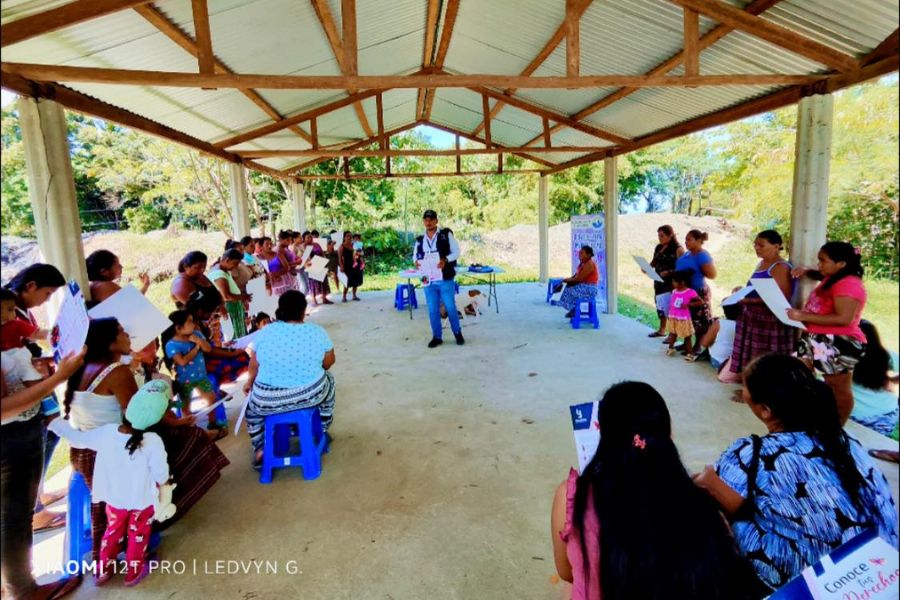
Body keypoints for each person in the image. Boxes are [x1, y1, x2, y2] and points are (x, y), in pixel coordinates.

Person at [694, 354, 899, 593]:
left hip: (823, 587)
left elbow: (713, 497)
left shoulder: (754, 452)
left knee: (711, 516)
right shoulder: (845, 441)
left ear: (766, 410)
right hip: (882, 573)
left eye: (745, 387)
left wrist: (707, 479)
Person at [550, 381, 760, 600]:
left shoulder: (572, 497)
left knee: (570, 587)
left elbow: (566, 571)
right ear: (669, 434)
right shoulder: (700, 504)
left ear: (602, 434)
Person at [63, 318, 229, 561]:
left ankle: (133, 530)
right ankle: (156, 515)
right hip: (115, 451)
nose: (128, 335)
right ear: (110, 343)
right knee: (190, 437)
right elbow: (140, 415)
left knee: (171, 438)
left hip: (87, 452)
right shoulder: (116, 372)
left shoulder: (81, 368)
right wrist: (176, 422)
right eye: (122, 331)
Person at [50, 380, 171, 587]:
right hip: (142, 502)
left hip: (114, 500)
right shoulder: (153, 441)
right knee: (138, 534)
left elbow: (77, 439)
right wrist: (165, 485)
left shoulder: (107, 432)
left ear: (128, 409)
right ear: (157, 418)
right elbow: (161, 473)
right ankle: (133, 572)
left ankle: (103, 570)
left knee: (112, 531)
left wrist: (54, 423)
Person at [1, 346, 85, 600]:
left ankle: (12, 583)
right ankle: (23, 591)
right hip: (9, 439)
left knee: (12, 517)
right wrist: (58, 378)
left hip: (16, 435)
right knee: (14, 520)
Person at [1, 264, 69, 534]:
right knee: (44, 435)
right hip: (21, 404)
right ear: (30, 286)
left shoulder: (14, 310)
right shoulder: (8, 310)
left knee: (49, 435)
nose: (47, 300)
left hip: (32, 386)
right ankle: (37, 510)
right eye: (47, 293)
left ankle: (39, 494)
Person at [243, 291, 336, 468]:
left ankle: (260, 449)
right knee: (329, 381)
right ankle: (321, 429)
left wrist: (249, 383)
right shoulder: (317, 331)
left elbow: (253, 364)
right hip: (308, 395)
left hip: (267, 400)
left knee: (252, 410)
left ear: (280, 309)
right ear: (303, 311)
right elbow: (328, 363)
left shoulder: (265, 332)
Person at [788, 242, 867, 424]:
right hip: (816, 338)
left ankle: (835, 429)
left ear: (841, 264)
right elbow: (820, 274)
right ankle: (812, 420)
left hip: (838, 342)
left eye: (823, 261)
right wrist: (807, 271)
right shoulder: (835, 277)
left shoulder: (848, 284)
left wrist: (803, 315)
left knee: (837, 387)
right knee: (802, 377)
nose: (819, 265)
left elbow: (844, 319)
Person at [726, 230, 796, 373]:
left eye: (761, 245)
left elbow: (781, 298)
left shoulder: (780, 267)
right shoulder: (762, 263)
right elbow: (758, 288)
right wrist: (742, 291)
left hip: (769, 320)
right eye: (755, 245)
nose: (756, 248)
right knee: (753, 358)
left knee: (765, 361)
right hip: (753, 318)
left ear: (776, 246)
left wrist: (748, 300)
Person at [163, 310, 227, 436]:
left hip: (201, 376)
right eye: (190, 322)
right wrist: (197, 348)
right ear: (178, 328)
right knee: (186, 406)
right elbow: (182, 362)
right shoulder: (171, 344)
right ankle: (191, 429)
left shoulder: (196, 334)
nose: (194, 324)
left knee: (212, 399)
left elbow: (208, 349)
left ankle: (213, 423)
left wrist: (199, 341)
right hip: (184, 381)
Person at [414, 210, 464, 348]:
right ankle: (437, 336)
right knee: (432, 309)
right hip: (428, 280)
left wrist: (445, 259)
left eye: (431, 219)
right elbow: (415, 256)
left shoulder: (445, 234)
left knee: (450, 307)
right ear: (423, 221)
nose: (428, 222)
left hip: (444, 278)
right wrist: (416, 262)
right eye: (426, 220)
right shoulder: (420, 239)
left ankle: (457, 333)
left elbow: (456, 252)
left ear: (436, 220)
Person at [849, 320, 899, 439]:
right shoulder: (886, 355)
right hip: (888, 416)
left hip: (855, 417)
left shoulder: (842, 358)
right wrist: (893, 380)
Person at [675, 230, 717, 355]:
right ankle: (686, 343)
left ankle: (697, 346)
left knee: (699, 320)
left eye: (689, 239)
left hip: (697, 292)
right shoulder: (688, 254)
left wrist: (693, 271)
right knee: (686, 318)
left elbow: (712, 274)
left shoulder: (702, 256)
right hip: (685, 291)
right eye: (685, 240)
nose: (686, 242)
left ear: (698, 241)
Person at [648, 225, 684, 337]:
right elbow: (654, 262)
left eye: (662, 236)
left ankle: (672, 334)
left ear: (670, 235)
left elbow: (682, 268)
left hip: (671, 283)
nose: (660, 238)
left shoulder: (678, 249)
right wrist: (647, 268)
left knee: (670, 308)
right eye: (658, 236)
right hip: (658, 281)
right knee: (660, 306)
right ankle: (662, 329)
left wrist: (669, 272)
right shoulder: (659, 247)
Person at [209, 249, 251, 340]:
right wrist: (243, 297)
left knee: (239, 332)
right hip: (229, 307)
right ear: (227, 260)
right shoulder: (218, 274)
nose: (236, 267)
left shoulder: (223, 270)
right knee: (235, 335)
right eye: (235, 263)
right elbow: (226, 296)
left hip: (234, 305)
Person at [85, 249, 150, 307]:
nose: (121, 267)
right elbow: (133, 303)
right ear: (104, 271)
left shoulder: (94, 285)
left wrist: (145, 285)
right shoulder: (105, 287)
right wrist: (146, 285)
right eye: (117, 265)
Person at [665, 270, 702, 357]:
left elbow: (700, 302)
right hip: (673, 317)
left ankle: (690, 353)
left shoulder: (690, 292)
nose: (673, 283)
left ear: (682, 282)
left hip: (683, 318)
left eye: (674, 281)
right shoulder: (674, 291)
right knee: (672, 333)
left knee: (687, 336)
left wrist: (688, 305)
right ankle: (670, 348)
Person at [557, 245, 600, 319]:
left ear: (588, 255)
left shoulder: (589, 264)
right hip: (584, 286)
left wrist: (564, 281)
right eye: (579, 253)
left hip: (589, 289)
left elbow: (579, 279)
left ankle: (575, 310)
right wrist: (563, 281)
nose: (579, 255)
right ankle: (574, 309)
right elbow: (575, 277)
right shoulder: (583, 264)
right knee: (564, 288)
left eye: (582, 253)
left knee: (566, 290)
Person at [304, 231, 332, 305]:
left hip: (320, 263)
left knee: (323, 281)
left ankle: (324, 298)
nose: (310, 238)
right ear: (304, 239)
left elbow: (322, 253)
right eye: (308, 237)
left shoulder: (316, 244)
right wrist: (310, 263)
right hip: (312, 266)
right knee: (313, 283)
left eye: (310, 237)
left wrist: (324, 261)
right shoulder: (305, 246)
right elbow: (306, 258)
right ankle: (314, 299)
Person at [339, 231, 364, 302]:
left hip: (356, 264)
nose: (349, 237)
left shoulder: (355, 244)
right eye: (347, 236)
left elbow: (361, 253)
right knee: (347, 282)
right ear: (344, 237)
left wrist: (360, 253)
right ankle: (344, 296)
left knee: (356, 280)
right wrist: (341, 266)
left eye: (350, 236)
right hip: (347, 266)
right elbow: (339, 258)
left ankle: (354, 295)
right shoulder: (342, 246)